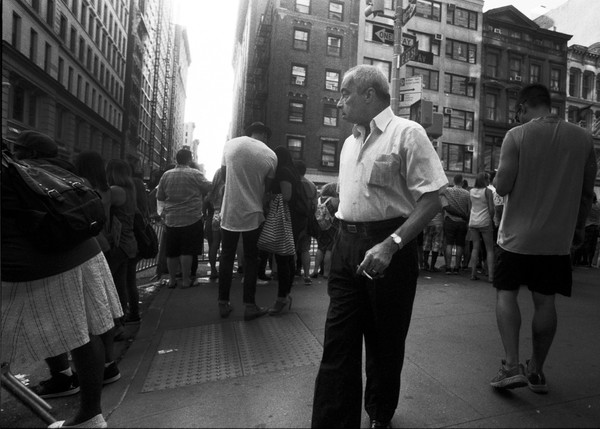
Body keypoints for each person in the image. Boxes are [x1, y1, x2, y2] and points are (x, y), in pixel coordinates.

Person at [311, 65, 448, 428]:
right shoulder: (348, 143)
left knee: (384, 343)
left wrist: (392, 244)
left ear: (369, 94)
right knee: (338, 341)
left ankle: (379, 414)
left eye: (345, 93)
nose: (338, 101)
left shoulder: (408, 133)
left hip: (390, 248)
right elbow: (357, 194)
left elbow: (433, 199)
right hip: (346, 246)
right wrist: (333, 207)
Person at [2, 133, 122, 428]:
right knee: (85, 333)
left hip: (46, 262)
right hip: (85, 251)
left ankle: (74, 396)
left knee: (75, 332)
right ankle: (90, 416)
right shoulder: (55, 168)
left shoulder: (14, 171)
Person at [491, 83, 596, 392]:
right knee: (545, 301)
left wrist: (499, 174)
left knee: (506, 292)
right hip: (556, 241)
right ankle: (536, 369)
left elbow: (503, 186)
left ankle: (512, 365)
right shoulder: (583, 139)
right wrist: (576, 230)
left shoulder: (517, 136)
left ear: (523, 107)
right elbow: (587, 195)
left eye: (517, 113)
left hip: (516, 238)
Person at [218, 122, 278, 321]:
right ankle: (250, 305)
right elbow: (266, 188)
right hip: (253, 213)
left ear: (249, 132)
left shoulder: (231, 145)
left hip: (230, 211)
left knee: (226, 256)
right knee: (252, 259)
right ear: (264, 135)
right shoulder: (271, 155)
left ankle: (223, 302)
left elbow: (224, 175)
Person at [156, 149, 211, 289]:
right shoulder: (195, 174)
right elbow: (209, 187)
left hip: (171, 219)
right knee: (187, 251)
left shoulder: (166, 175)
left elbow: (160, 196)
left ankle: (172, 280)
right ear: (189, 159)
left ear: (176, 159)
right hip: (191, 218)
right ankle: (186, 280)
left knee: (172, 251)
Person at [267, 147, 309, 315]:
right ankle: (285, 295)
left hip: (286, 219)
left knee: (283, 258)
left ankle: (282, 298)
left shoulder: (283, 172)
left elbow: (286, 196)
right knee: (288, 258)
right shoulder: (291, 171)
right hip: (295, 219)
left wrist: (268, 197)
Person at [106, 159, 138, 332]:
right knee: (124, 284)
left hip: (118, 244)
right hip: (129, 242)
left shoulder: (115, 191)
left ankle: (116, 324)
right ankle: (124, 319)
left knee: (111, 285)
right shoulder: (130, 189)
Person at [440, 174, 471, 275]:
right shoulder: (467, 194)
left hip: (450, 220)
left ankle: (448, 267)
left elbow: (440, 191)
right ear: (462, 182)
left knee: (449, 244)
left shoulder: (448, 191)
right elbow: (469, 209)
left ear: (453, 181)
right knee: (460, 245)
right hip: (462, 222)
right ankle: (457, 267)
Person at [467, 172, 495, 282]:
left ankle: (473, 274)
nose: (489, 181)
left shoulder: (471, 191)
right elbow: (491, 209)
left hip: (473, 221)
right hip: (485, 222)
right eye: (488, 179)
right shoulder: (488, 191)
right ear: (484, 180)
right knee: (489, 249)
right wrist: (491, 219)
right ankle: (491, 276)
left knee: (475, 247)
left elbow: (470, 208)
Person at [294, 159, 318, 285]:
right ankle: (307, 275)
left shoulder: (294, 183)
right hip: (307, 220)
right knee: (305, 249)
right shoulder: (312, 185)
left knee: (291, 248)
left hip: (294, 219)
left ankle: (290, 275)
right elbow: (315, 205)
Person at [311, 182, 339, 279]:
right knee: (329, 249)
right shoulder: (334, 201)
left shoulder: (318, 199)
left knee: (320, 248)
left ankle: (315, 270)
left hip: (320, 227)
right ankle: (326, 273)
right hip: (332, 228)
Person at [204, 167, 225, 280]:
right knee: (226, 246)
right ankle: (224, 269)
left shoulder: (211, 191)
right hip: (225, 216)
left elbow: (205, 205)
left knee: (214, 245)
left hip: (214, 217)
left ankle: (213, 270)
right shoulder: (226, 187)